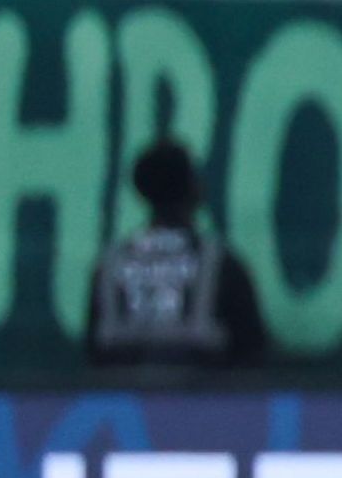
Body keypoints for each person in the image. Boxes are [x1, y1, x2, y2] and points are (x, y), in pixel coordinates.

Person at [85, 140, 266, 370]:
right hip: (206, 401)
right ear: (195, 189)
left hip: (118, 402)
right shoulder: (221, 264)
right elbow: (252, 353)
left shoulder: (109, 265)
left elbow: (93, 352)